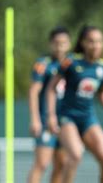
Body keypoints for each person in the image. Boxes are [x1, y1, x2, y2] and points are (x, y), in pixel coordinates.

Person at [47, 26, 103, 183]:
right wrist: (52, 116)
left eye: (99, 41)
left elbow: (102, 92)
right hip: (67, 117)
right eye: (92, 41)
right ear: (83, 43)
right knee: (75, 154)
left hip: (88, 118)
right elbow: (52, 88)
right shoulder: (71, 62)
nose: (96, 45)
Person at [27, 27, 69, 183]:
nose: (60, 47)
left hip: (65, 122)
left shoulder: (72, 64)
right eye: (56, 43)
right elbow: (33, 91)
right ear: (51, 44)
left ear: (69, 44)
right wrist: (35, 119)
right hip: (46, 121)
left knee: (62, 165)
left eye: (63, 43)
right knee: (42, 163)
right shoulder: (43, 64)